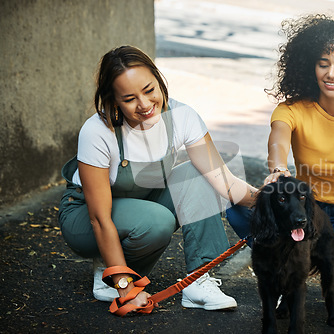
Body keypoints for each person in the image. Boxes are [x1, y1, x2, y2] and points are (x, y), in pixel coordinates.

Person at [59, 45, 257, 311]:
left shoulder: (183, 116)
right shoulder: (97, 131)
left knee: (199, 175)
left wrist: (272, 199)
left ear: (159, 79)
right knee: (156, 221)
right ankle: (113, 273)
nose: (144, 104)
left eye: (149, 90)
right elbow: (99, 218)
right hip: (86, 215)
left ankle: (197, 281)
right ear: (113, 100)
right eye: (129, 99)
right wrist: (124, 287)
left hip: (143, 201)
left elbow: (226, 183)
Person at [227, 11, 334, 314]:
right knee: (241, 213)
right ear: (311, 65)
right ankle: (285, 274)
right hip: (304, 209)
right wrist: (279, 169)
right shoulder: (293, 109)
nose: (332, 73)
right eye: (324, 64)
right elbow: (278, 139)